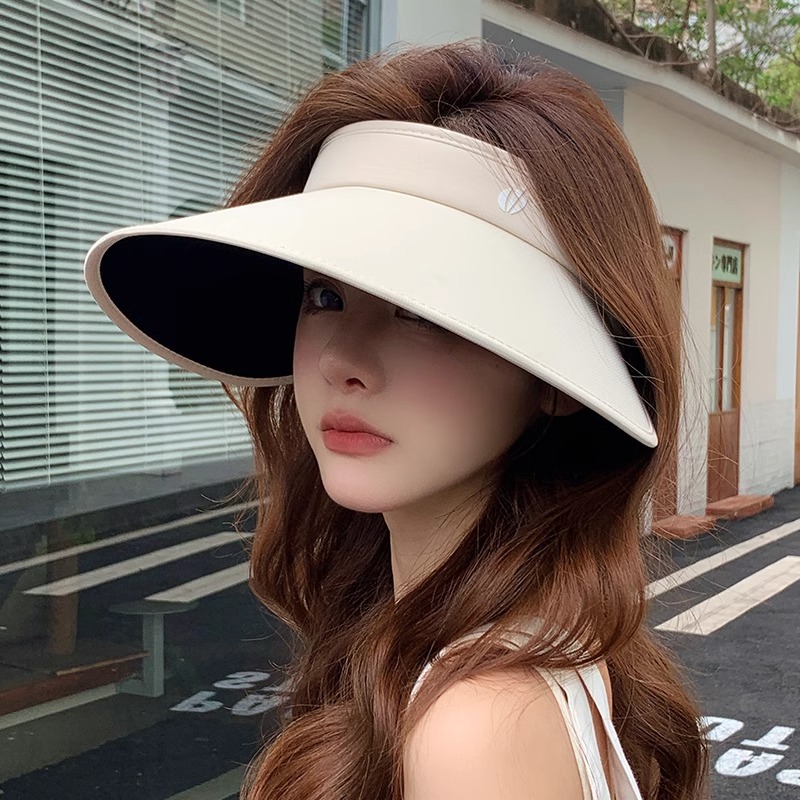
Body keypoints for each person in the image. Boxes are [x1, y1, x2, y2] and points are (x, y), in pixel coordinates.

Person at [84, 39, 709, 800]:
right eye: (324, 296)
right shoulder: (511, 649)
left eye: (421, 310)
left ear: (556, 381)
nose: (341, 360)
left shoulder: (475, 729)